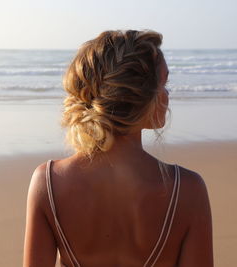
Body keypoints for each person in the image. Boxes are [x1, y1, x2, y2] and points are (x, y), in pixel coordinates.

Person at [23, 30, 213, 267]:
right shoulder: (187, 189)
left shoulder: (48, 182)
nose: (167, 94)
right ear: (140, 97)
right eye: (163, 83)